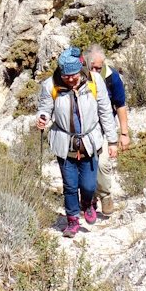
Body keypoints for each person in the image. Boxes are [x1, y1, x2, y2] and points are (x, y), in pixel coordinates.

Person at [36, 47, 119, 238]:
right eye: (66, 76)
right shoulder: (51, 85)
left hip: (90, 141)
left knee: (88, 185)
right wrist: (42, 117)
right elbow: (45, 108)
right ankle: (72, 220)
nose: (70, 80)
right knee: (70, 185)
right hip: (64, 142)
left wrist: (112, 141)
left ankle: (87, 203)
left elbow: (106, 111)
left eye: (73, 75)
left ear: (80, 70)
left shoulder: (94, 81)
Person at [86, 45, 129, 216]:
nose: (96, 71)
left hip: (105, 127)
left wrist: (124, 133)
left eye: (99, 67)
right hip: (84, 128)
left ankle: (105, 195)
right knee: (86, 164)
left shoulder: (112, 77)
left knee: (102, 163)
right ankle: (89, 198)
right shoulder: (79, 76)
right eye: (93, 67)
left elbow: (120, 105)